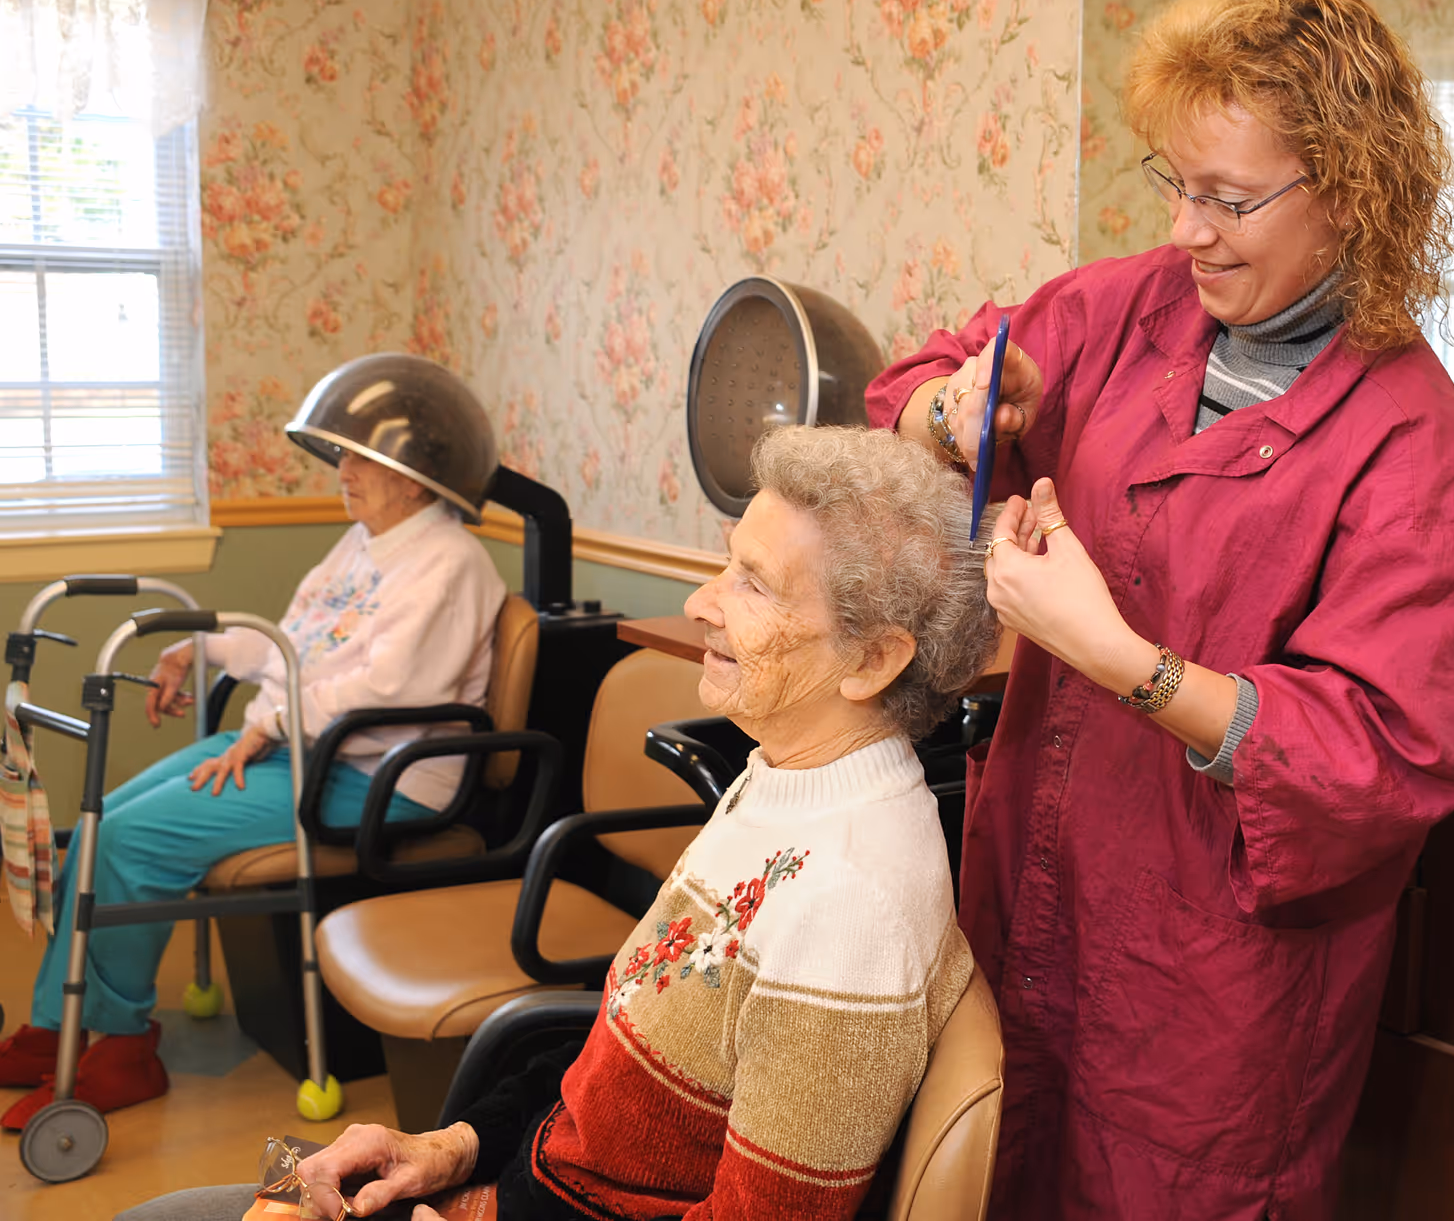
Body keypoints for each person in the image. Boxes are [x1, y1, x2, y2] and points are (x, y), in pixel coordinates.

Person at [867, 0, 1454, 1220]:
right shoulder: (1124, 311)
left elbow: (1382, 761)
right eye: (1177, 185)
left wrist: (1117, 656)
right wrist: (955, 410)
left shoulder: (1410, 449)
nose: (1189, 232)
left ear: (1352, 194)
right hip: (1033, 894)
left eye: (1230, 199)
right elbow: (925, 375)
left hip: (1217, 992)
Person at [116, 425, 998, 1221]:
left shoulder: (850, 903)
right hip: (514, 1184)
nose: (700, 602)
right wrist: (448, 1148)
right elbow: (609, 1085)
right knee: (222, 1199)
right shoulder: (781, 779)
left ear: (874, 659)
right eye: (727, 562)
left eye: (754, 585)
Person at [0, 354, 507, 1129]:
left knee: (130, 841)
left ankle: (123, 1046)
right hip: (302, 751)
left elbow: (390, 690)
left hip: (377, 776)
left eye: (363, 458)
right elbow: (292, 644)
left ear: (415, 476)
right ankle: (55, 1027)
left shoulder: (450, 563)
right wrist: (203, 649)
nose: (343, 470)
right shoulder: (364, 545)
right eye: (342, 453)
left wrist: (266, 724)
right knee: (104, 816)